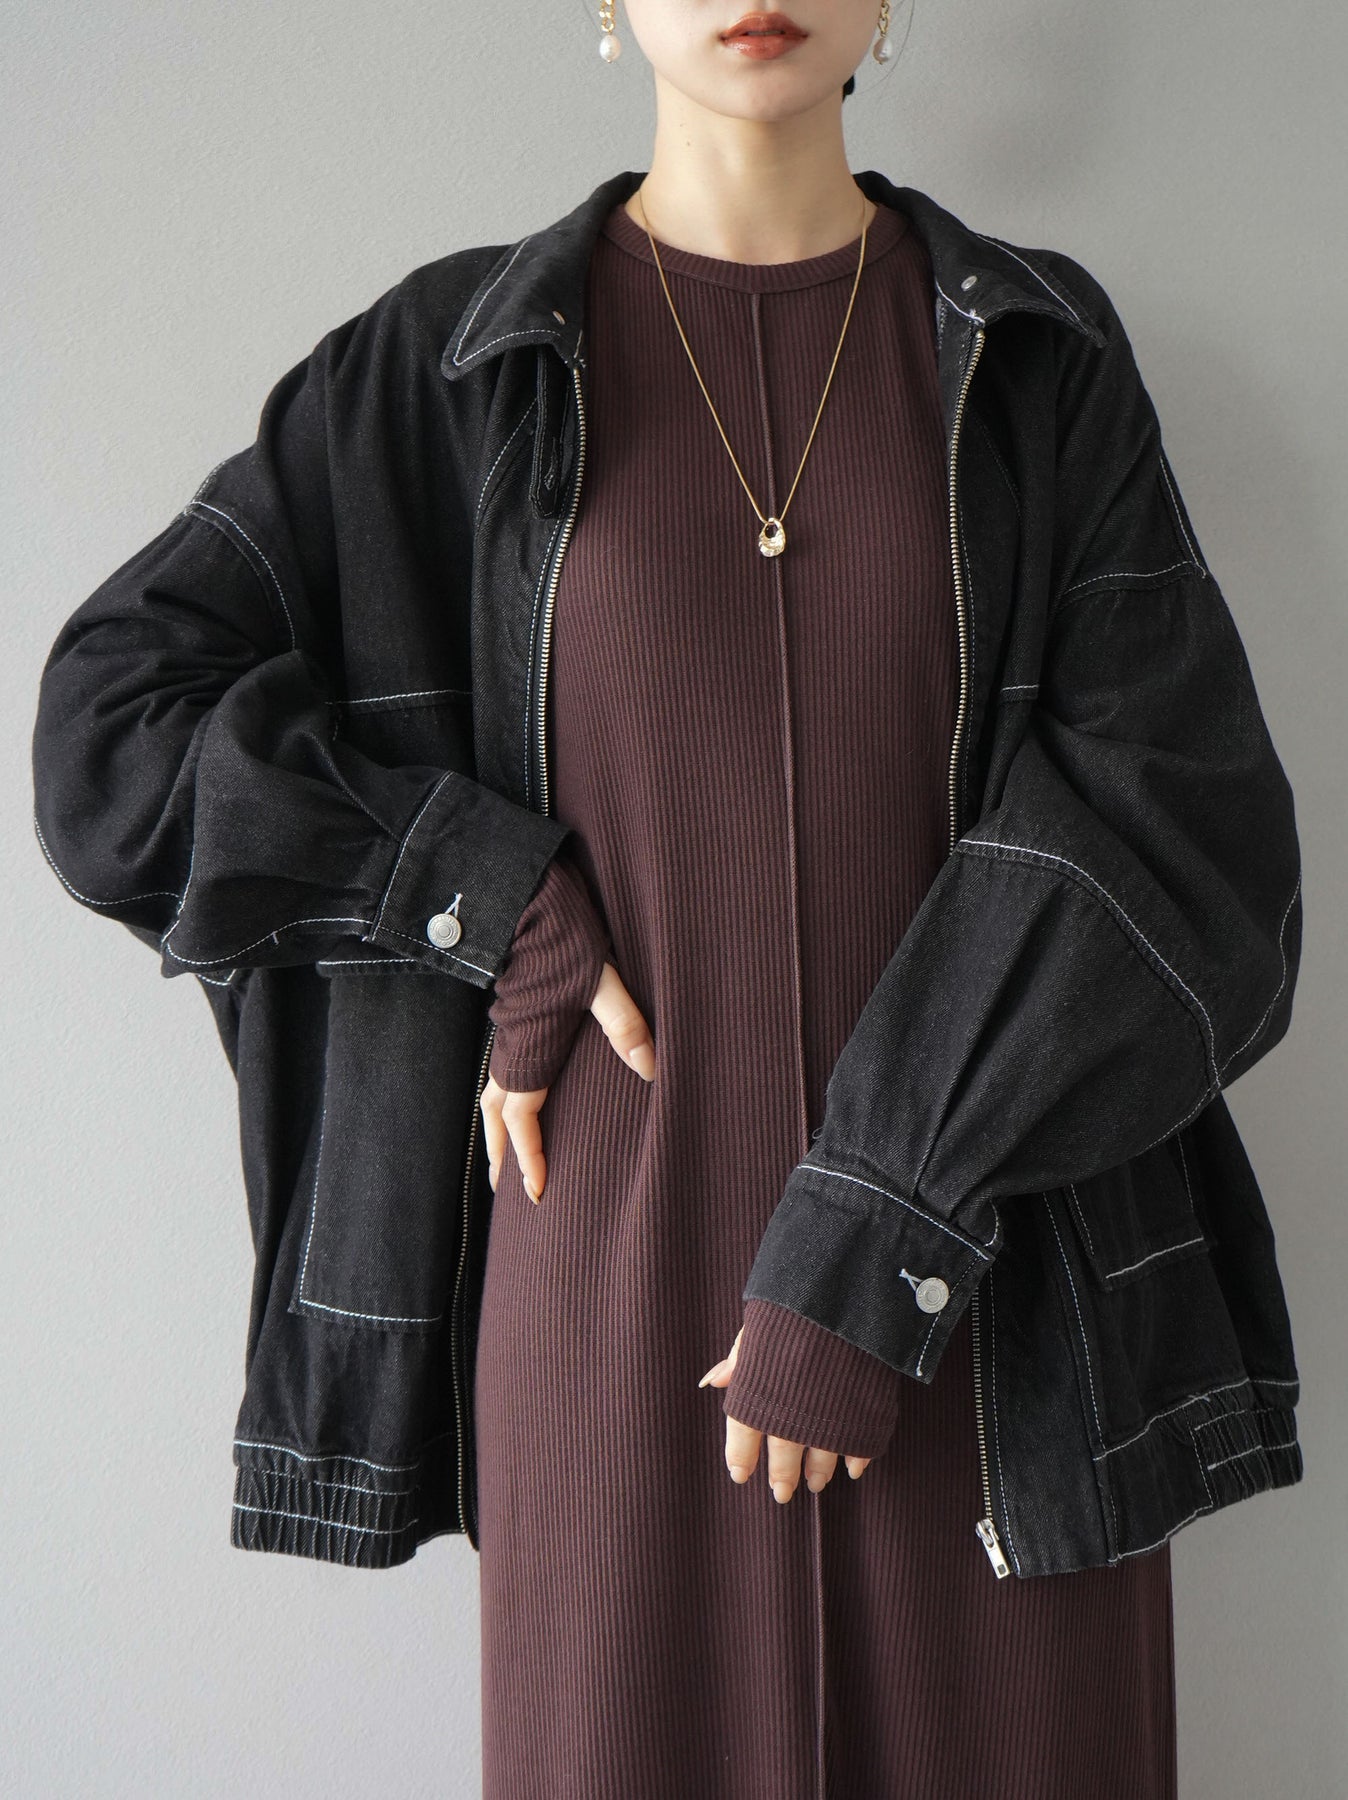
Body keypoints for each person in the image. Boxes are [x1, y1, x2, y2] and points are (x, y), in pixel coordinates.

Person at [31, 4, 1305, 1798]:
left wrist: (883, 1232)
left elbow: (1191, 843)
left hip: (997, 1356)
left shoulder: (1034, 360)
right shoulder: (438, 381)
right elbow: (110, 732)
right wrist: (471, 888)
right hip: (605, 1349)